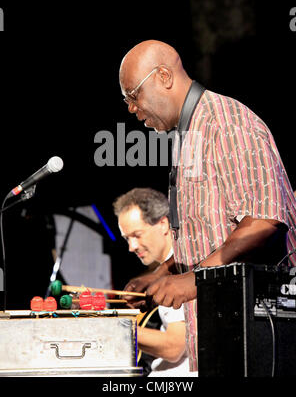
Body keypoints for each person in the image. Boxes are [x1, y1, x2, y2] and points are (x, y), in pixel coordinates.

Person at [118, 39, 296, 372]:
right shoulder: (189, 135)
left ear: (164, 76)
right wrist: (161, 274)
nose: (131, 108)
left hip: (259, 336)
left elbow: (264, 221)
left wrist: (195, 280)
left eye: (133, 95)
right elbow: (208, 232)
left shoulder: (226, 124)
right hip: (221, 335)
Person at [113, 187, 198, 376]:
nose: (131, 247)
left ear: (163, 224)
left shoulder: (180, 272)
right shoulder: (166, 270)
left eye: (137, 235)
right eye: (127, 238)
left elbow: (174, 347)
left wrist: (110, 326)